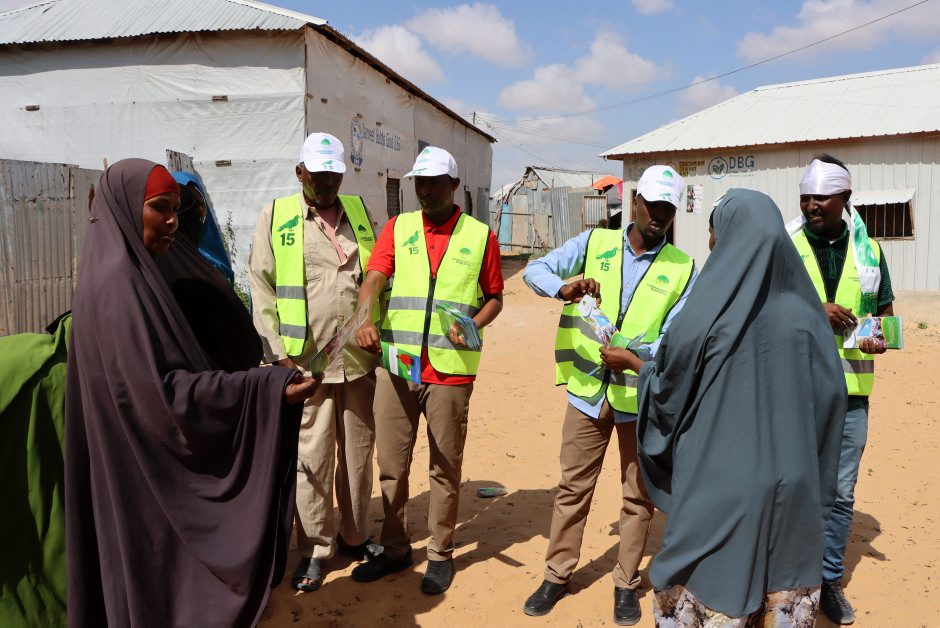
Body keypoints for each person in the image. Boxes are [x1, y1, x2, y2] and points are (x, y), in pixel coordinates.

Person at [65, 159, 320, 627]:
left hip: (129, 464)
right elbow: (165, 398)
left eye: (175, 209)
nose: (172, 221)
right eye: (160, 208)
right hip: (141, 472)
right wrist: (265, 390)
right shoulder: (120, 287)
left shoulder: (125, 274)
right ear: (126, 208)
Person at [635, 189, 846, 626]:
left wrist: (640, 369)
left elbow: (669, 390)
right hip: (795, 487)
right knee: (781, 585)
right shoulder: (809, 317)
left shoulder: (704, 315)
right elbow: (831, 400)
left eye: (714, 233)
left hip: (720, 486)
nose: (712, 243)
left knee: (710, 583)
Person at [521, 165, 697, 626]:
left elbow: (676, 334)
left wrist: (635, 355)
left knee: (637, 495)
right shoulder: (594, 242)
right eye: (652, 205)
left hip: (638, 399)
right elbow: (535, 270)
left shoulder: (682, 267)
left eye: (667, 209)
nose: (658, 216)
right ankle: (557, 574)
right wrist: (564, 287)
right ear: (635, 202)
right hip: (586, 392)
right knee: (573, 487)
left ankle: (625, 581)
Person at [351, 146, 504, 595]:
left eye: (435, 183)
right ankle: (395, 548)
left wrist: (473, 325)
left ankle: (440, 553)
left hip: (450, 371)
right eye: (420, 182)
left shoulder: (480, 236)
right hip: (398, 366)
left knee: (444, 466)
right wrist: (363, 318)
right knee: (391, 465)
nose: (425, 191)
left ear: (454, 185)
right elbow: (374, 277)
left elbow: (494, 297)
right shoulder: (398, 228)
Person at [248, 132, 379, 592]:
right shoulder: (277, 216)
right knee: (313, 459)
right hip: (306, 364)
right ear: (299, 172)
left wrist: (377, 327)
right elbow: (261, 287)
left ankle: (356, 536)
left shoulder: (359, 212)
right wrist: (277, 354)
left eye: (333, 175)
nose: (325, 184)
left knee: (358, 456)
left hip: (358, 360)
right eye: (317, 175)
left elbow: (376, 276)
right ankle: (315, 550)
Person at [787, 155, 895, 625]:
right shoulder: (785, 246)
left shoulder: (870, 252)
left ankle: (828, 580)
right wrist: (817, 309)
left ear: (845, 198)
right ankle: (788, 575)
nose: (811, 205)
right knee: (791, 485)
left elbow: (885, 314)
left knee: (840, 493)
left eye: (821, 198)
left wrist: (880, 337)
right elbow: (762, 306)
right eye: (805, 197)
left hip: (851, 395)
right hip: (794, 390)